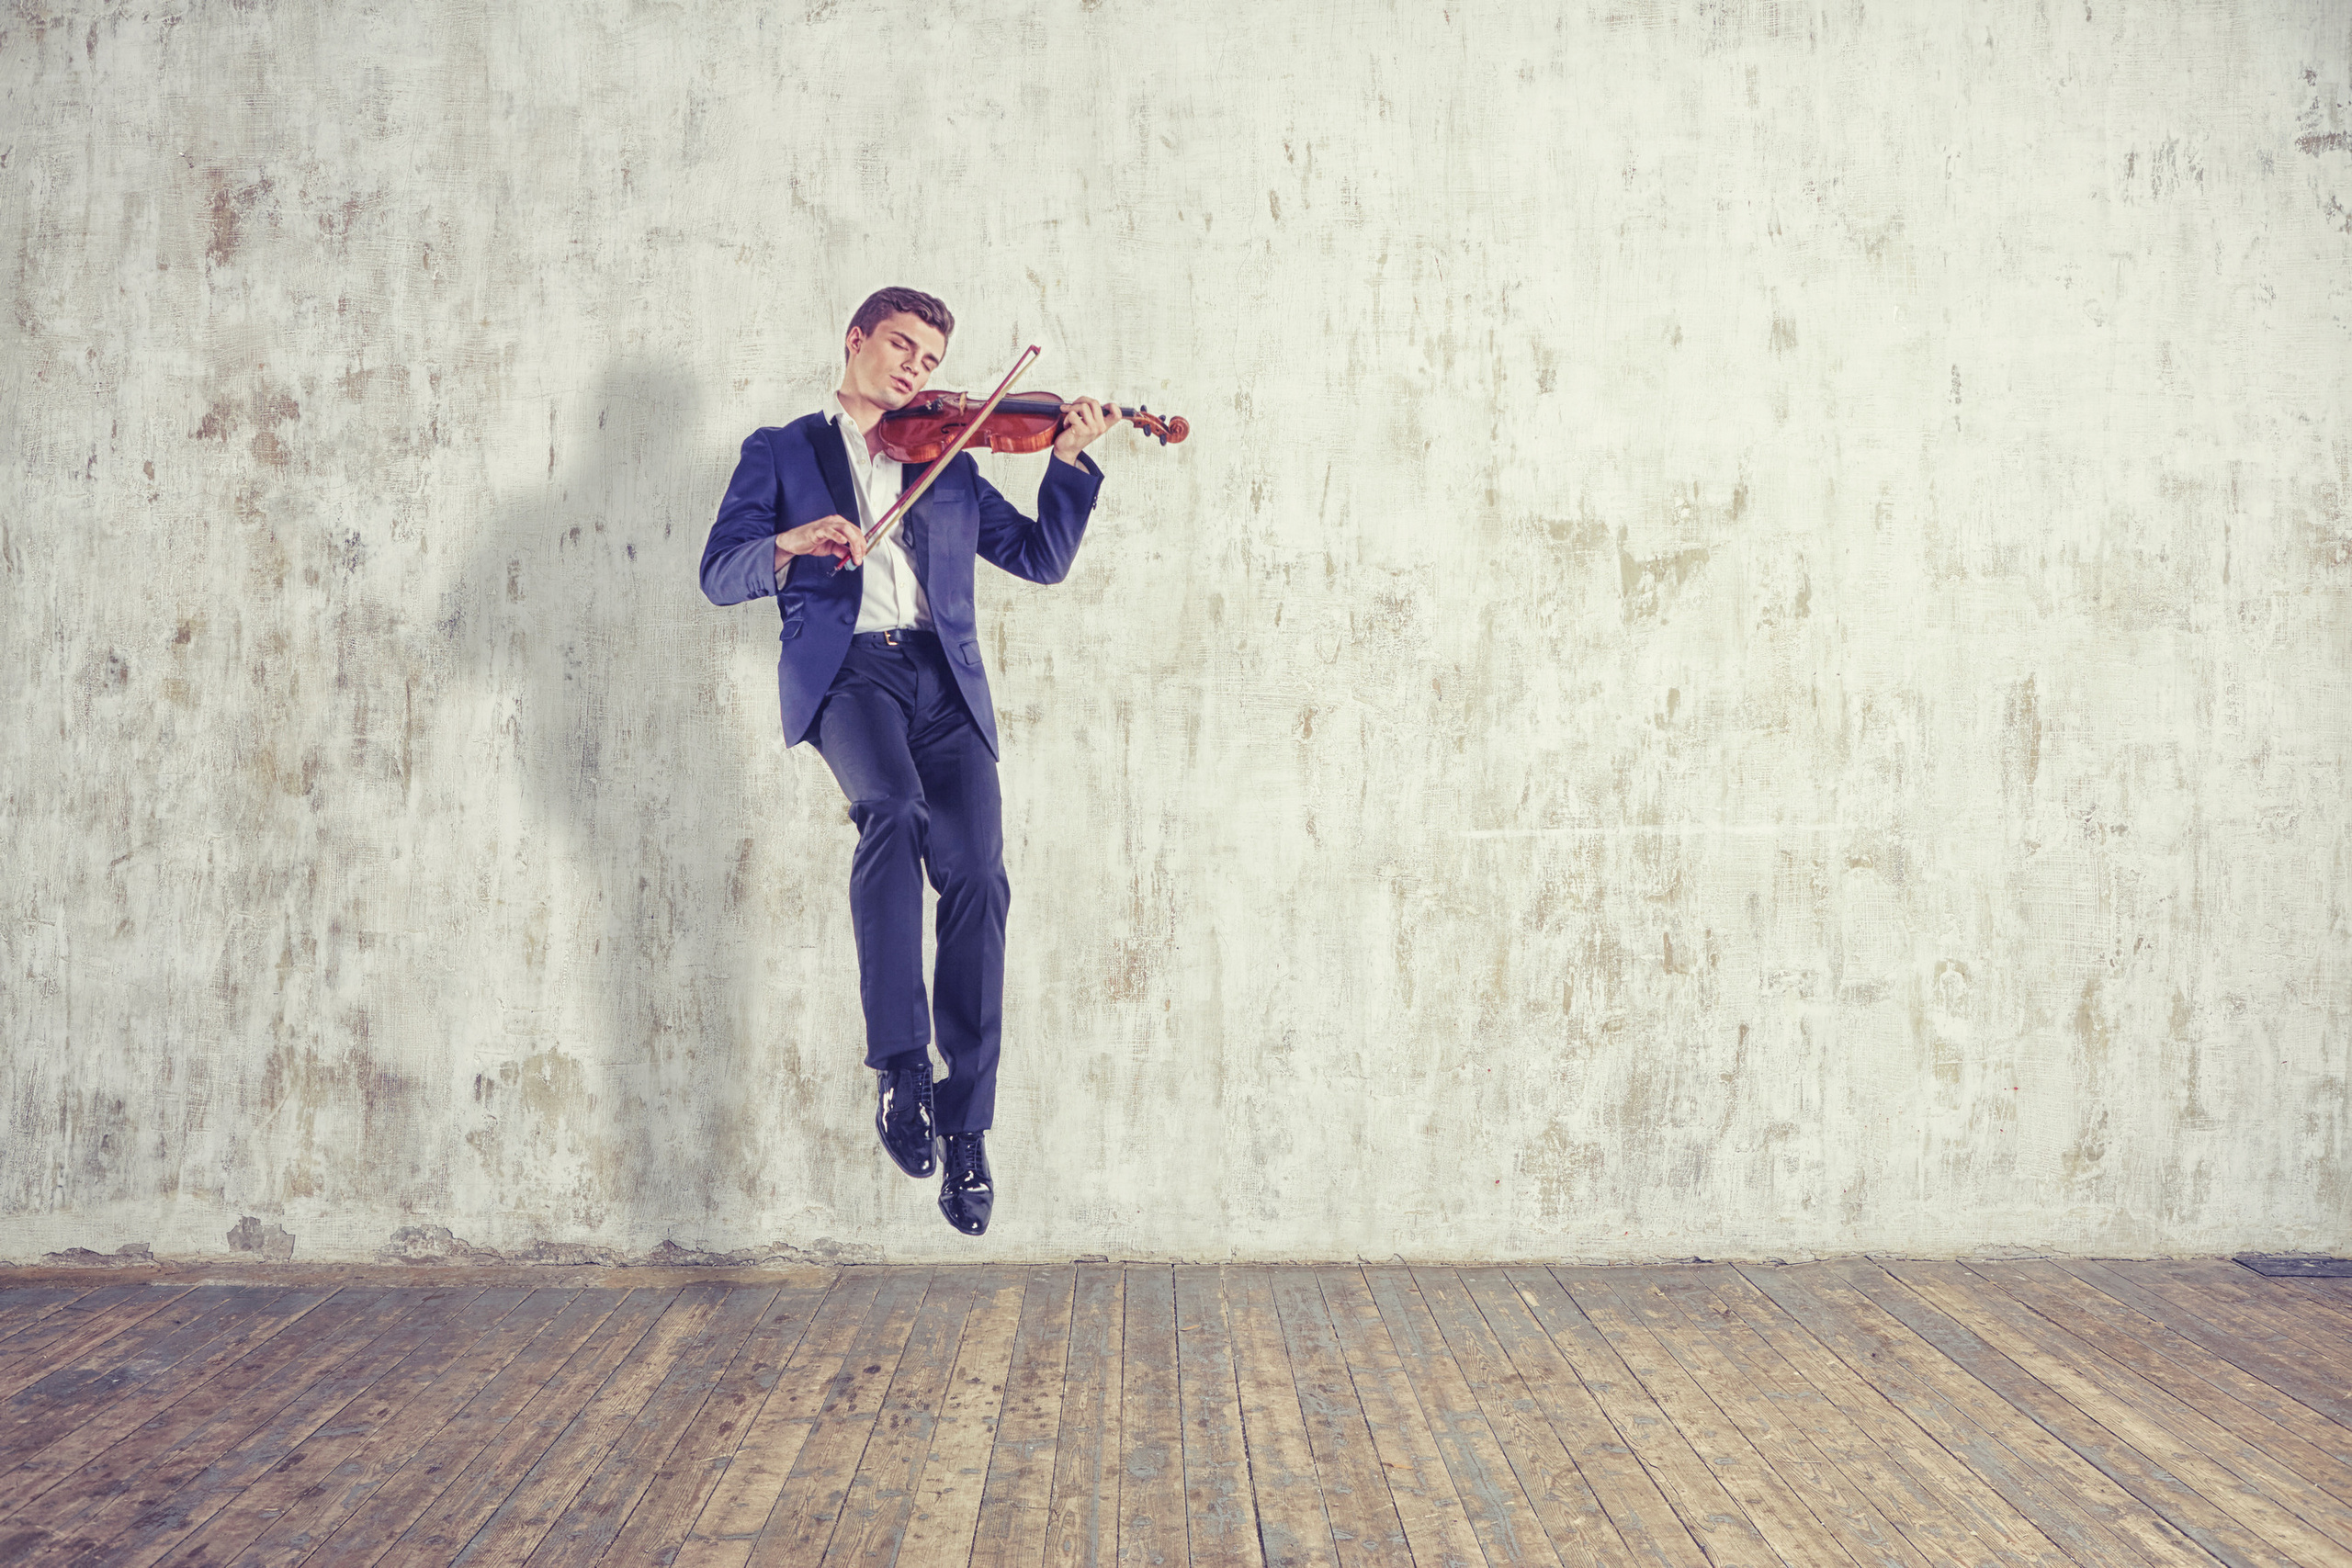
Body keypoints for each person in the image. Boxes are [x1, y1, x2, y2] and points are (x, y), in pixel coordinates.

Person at [698, 287, 1119, 1235]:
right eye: (901, 348)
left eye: (930, 362)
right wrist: (790, 542)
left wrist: (1068, 463)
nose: (915, 372)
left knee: (979, 876)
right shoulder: (782, 450)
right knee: (892, 810)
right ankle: (900, 1068)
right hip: (850, 676)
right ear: (856, 340)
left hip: (944, 681)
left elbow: (1041, 558)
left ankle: (967, 1130)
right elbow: (719, 572)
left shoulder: (948, 457)